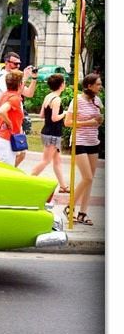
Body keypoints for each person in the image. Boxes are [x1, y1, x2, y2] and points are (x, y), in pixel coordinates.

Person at [64, 73, 104, 226]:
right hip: (79, 141)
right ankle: (70, 206)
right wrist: (89, 122)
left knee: (90, 179)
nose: (100, 87)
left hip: (93, 141)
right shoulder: (77, 100)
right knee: (87, 177)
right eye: (98, 84)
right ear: (89, 86)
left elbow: (97, 121)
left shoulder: (97, 101)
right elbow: (68, 122)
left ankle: (83, 213)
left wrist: (99, 121)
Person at [30, 74, 69, 192]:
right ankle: (28, 179)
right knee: (46, 160)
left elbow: (42, 115)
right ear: (61, 85)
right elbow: (54, 118)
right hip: (53, 134)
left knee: (57, 161)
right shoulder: (57, 99)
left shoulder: (48, 97)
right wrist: (64, 113)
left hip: (48, 131)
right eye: (64, 82)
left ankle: (63, 186)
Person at [0, 70, 25, 166]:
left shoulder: (4, 95)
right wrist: (9, 122)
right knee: (6, 170)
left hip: (2, 138)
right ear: (20, 84)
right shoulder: (14, 99)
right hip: (6, 140)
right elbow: (2, 111)